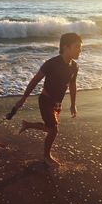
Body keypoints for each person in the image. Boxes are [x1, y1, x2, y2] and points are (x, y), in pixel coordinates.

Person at [14, 32, 82, 167]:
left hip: (57, 103)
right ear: (66, 47)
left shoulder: (74, 66)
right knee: (54, 130)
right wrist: (23, 99)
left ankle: (27, 125)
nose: (80, 50)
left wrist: (73, 104)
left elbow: (72, 85)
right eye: (77, 47)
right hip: (46, 100)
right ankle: (46, 156)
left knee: (50, 128)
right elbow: (34, 81)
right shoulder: (51, 63)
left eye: (80, 47)